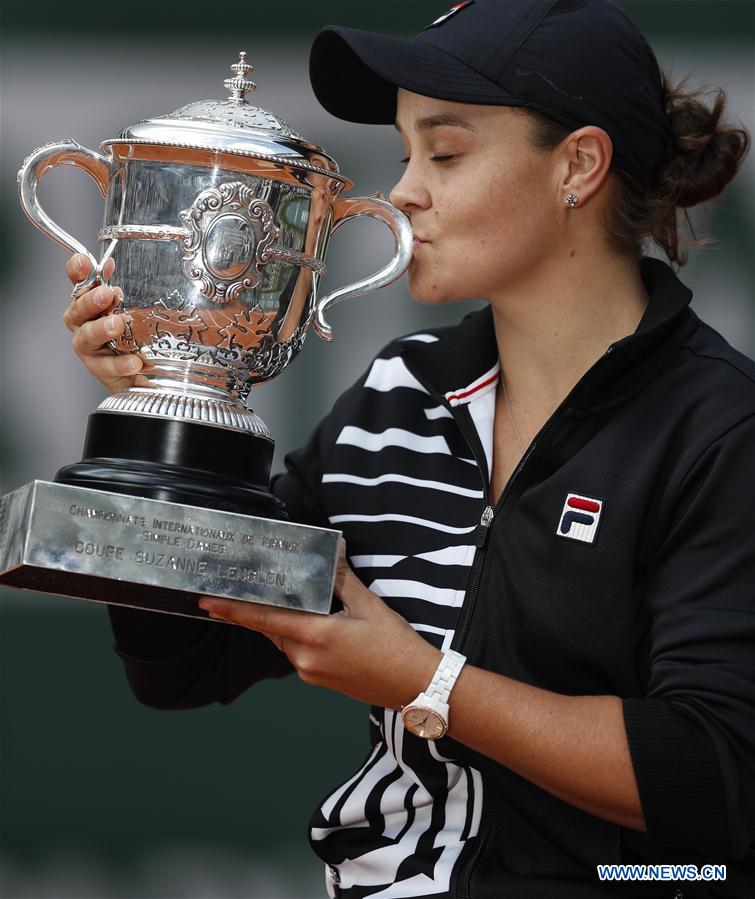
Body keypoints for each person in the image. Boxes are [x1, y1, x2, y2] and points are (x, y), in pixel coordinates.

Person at [62, 1, 754, 896]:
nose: (402, 192)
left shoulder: (718, 428)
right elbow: (188, 661)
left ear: (577, 166)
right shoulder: (402, 392)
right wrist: (167, 406)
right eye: (403, 153)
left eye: (447, 152)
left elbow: (715, 779)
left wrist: (427, 682)